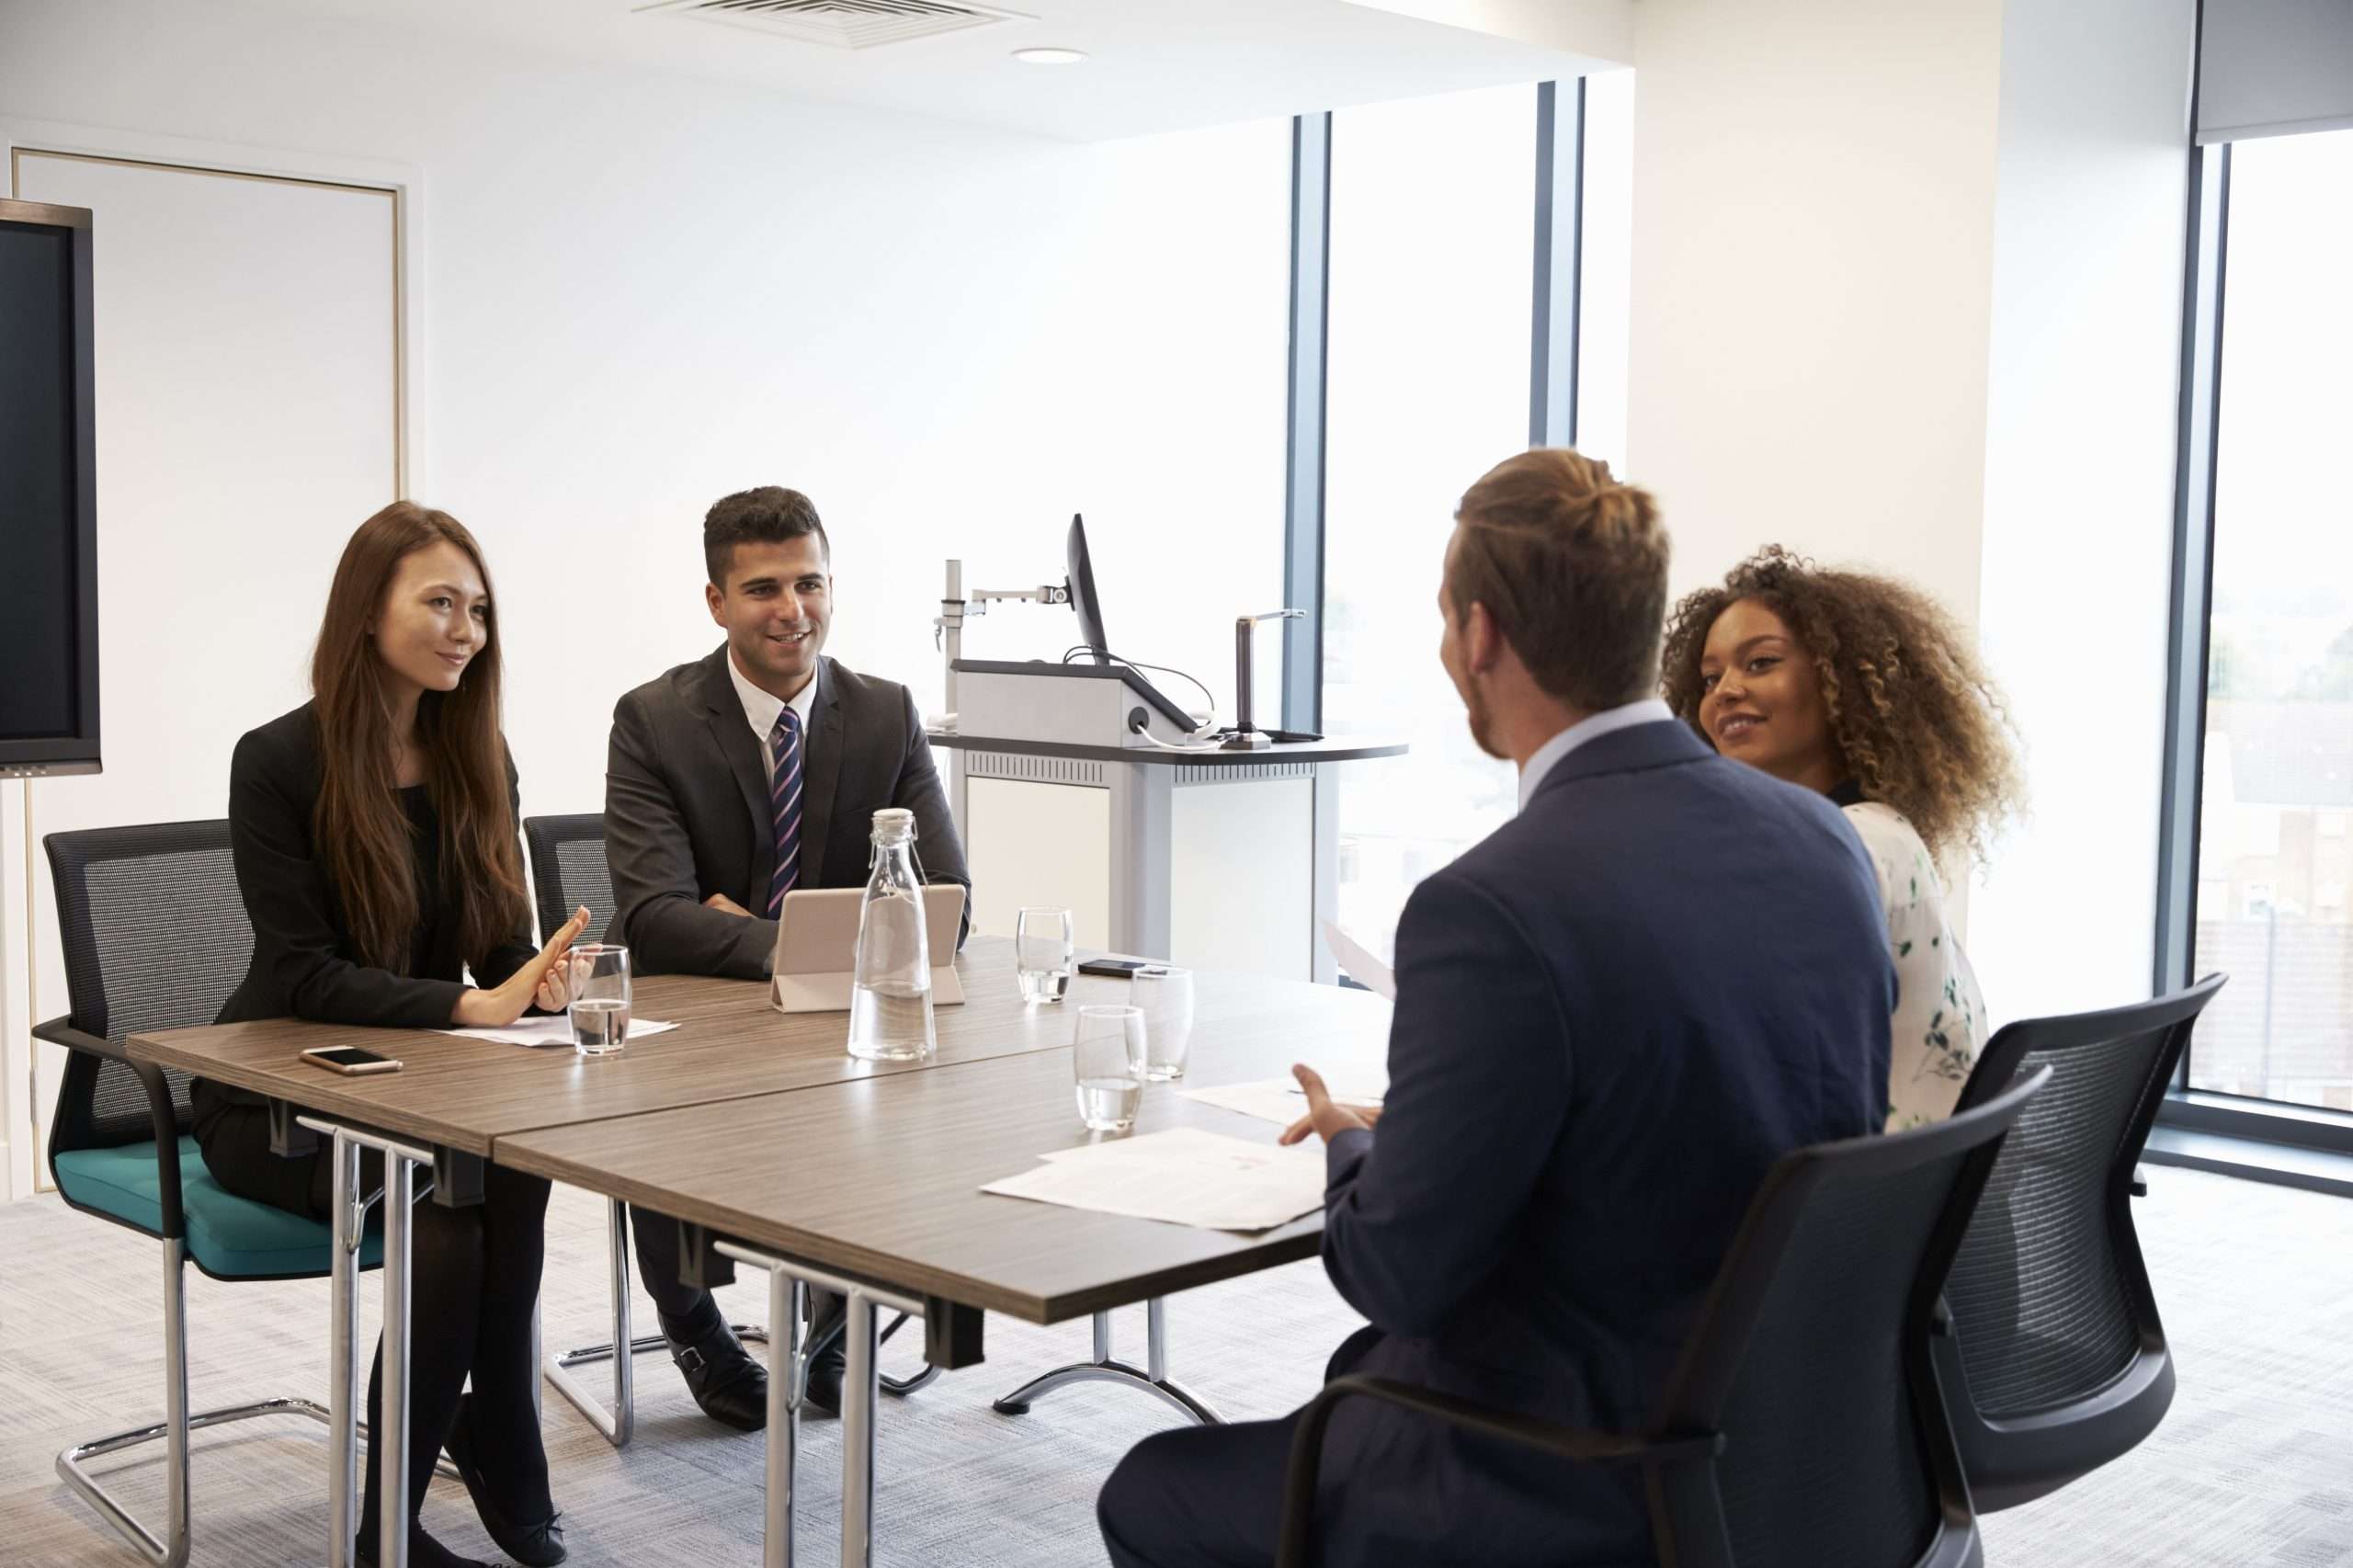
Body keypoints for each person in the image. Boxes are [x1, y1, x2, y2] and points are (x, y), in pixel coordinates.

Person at [1096, 450, 1894, 1568]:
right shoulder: (1822, 839)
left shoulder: (1490, 905)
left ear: (1477, 637)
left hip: (1573, 1475)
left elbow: (1398, 1273)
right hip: (1794, 1444)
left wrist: (1352, 1148)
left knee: (1151, 1485)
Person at [193, 502, 584, 1568]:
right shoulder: (277, 759)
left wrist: (542, 982)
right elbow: (303, 972)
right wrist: (474, 1005)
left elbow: (497, 942)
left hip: (420, 1083)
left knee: (515, 1171)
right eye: (441, 603)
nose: (467, 629)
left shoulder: (475, 753)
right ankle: (388, 1531)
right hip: (274, 1092)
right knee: (443, 1222)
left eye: (480, 609)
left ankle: (496, 1424)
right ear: (368, 611)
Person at [603, 484, 971, 1430]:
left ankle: (839, 1319)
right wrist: (830, 932)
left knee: (909, 1087)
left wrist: (757, 923)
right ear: (717, 601)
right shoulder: (654, 719)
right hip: (695, 1023)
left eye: (809, 582)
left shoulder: (885, 712)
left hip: (837, 1014)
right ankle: (693, 1326)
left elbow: (944, 914)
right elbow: (654, 916)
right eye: (762, 587)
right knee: (657, 1102)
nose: (791, 609)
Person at [1661, 546, 2025, 1128]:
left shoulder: (1837, 853)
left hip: (1866, 1200)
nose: (1724, 690)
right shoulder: (1881, 831)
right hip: (1922, 1185)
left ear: (1840, 685)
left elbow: (1746, 1055)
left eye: (1760, 663)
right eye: (1710, 677)